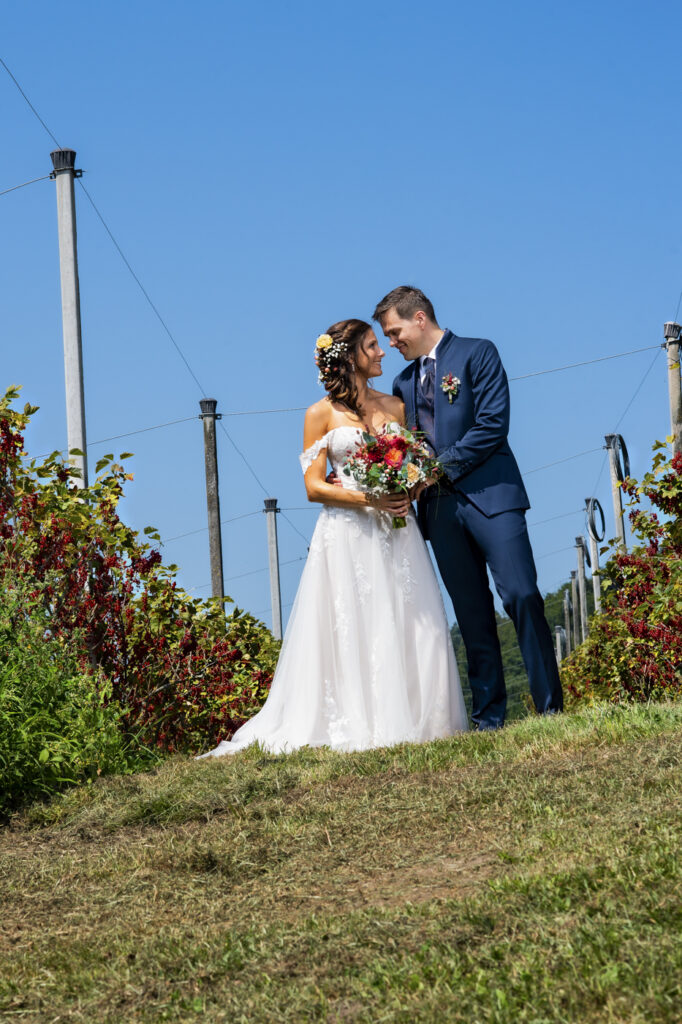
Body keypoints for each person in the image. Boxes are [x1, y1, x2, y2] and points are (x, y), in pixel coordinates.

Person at [197, 318, 468, 758]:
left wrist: (412, 485)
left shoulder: (397, 408)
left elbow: (415, 464)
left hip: (400, 534)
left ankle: (424, 719)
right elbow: (313, 486)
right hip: (347, 535)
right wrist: (370, 499)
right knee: (353, 623)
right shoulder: (318, 414)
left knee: (410, 618)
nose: (382, 352)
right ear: (349, 358)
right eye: (372, 346)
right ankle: (358, 720)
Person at [375, 285, 563, 730]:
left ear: (419, 318)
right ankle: (489, 717)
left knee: (522, 596)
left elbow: (493, 425)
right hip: (439, 513)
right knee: (472, 614)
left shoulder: (479, 353)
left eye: (395, 331)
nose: (391, 342)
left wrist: (436, 468)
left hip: (492, 498)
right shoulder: (402, 384)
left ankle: (551, 707)